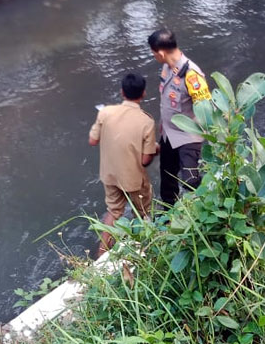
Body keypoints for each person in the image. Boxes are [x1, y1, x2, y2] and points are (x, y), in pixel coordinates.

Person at [88, 73, 158, 257]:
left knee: (113, 212)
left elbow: (92, 140)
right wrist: (155, 150)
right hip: (133, 179)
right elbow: (145, 160)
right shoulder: (146, 121)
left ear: (121, 92)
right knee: (143, 213)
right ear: (143, 94)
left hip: (109, 176)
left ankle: (100, 258)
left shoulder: (105, 112)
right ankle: (145, 252)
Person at [148, 28, 211, 207]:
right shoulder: (167, 67)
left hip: (188, 136)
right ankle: (169, 213)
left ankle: (201, 208)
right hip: (169, 133)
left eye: (153, 53)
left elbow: (206, 109)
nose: (153, 56)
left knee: (190, 179)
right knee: (167, 176)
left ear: (160, 52)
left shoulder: (192, 75)